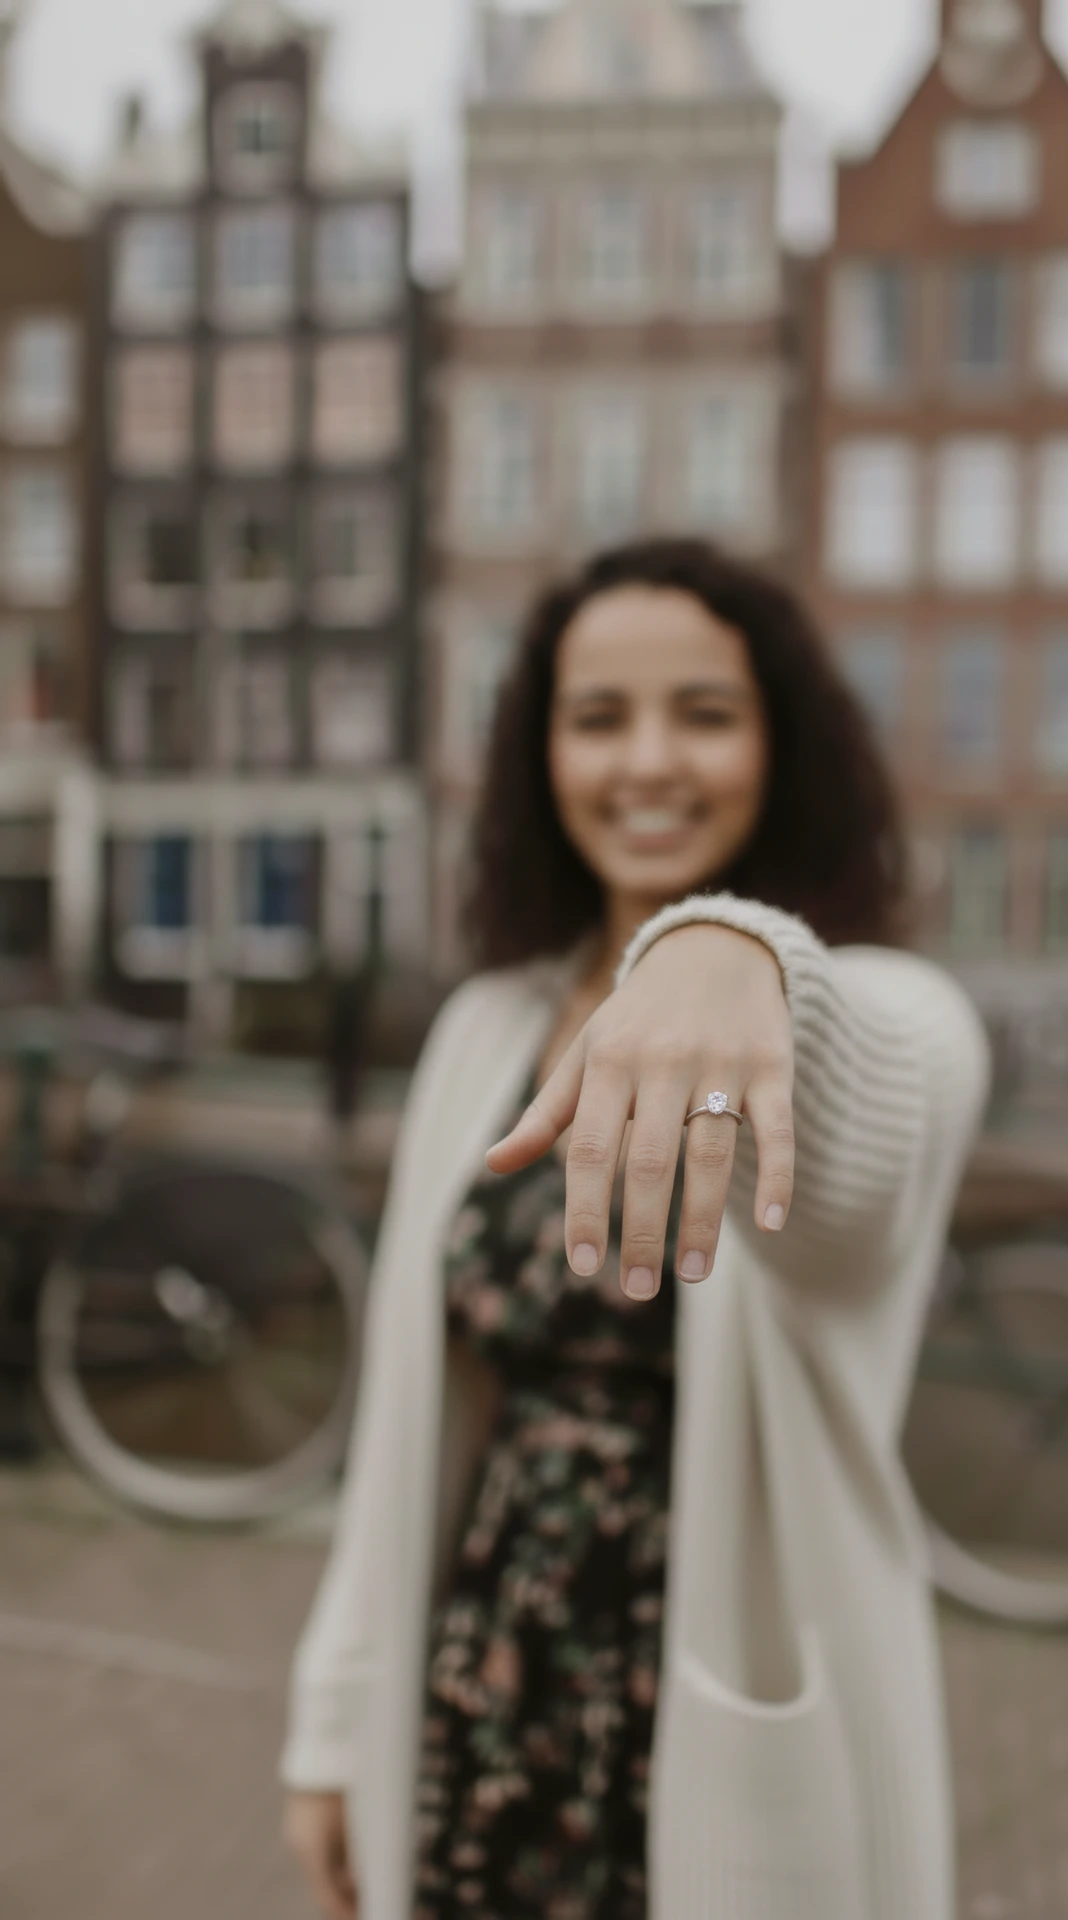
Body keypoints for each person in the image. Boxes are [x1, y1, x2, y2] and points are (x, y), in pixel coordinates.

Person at [281, 540, 989, 1920]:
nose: (648, 762)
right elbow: (403, 1438)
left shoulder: (879, 1010)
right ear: (541, 753)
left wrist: (738, 955)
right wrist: (328, 1734)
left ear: (783, 747)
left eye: (705, 715)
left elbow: (874, 1108)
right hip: (484, 1687)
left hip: (717, 1730)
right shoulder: (485, 1029)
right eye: (599, 717)